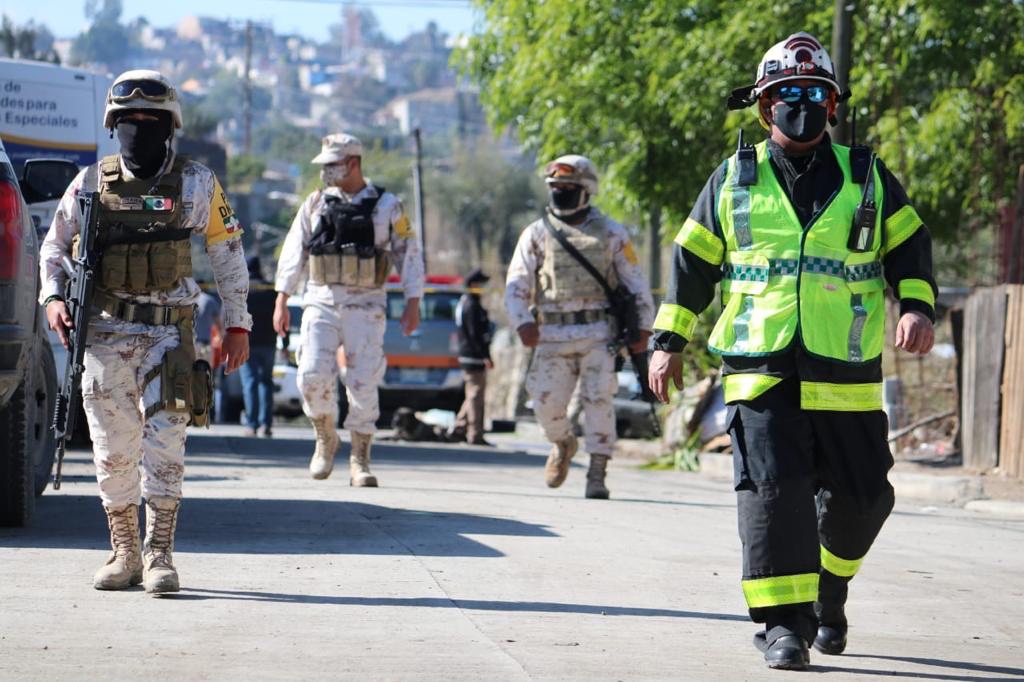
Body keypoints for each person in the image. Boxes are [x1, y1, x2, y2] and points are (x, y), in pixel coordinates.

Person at [648, 32, 937, 670]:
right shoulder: (731, 180)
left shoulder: (869, 176)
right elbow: (691, 266)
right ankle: (784, 627)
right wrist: (667, 342)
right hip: (760, 367)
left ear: (832, 106)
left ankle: (830, 594)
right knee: (773, 495)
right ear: (762, 108)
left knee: (866, 500)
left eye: (813, 93)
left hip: (847, 370)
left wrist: (917, 305)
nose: (799, 103)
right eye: (785, 94)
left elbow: (910, 249)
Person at [40, 70, 251, 594]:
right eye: (128, 120)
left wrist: (238, 321)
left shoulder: (198, 183)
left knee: (165, 447)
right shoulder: (91, 183)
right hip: (106, 333)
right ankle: (124, 553)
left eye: (150, 119)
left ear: (169, 125)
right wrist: (52, 298)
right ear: (113, 125)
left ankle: (161, 556)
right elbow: (53, 248)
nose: (139, 127)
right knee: (113, 451)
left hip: (170, 335)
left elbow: (227, 254)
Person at [273, 133, 424, 486]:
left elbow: (409, 253)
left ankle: (360, 457)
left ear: (353, 163)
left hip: (367, 304)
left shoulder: (389, 206)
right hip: (321, 301)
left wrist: (413, 301)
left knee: (363, 381)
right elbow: (295, 251)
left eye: (332, 164)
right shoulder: (314, 203)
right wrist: (282, 297)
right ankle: (325, 436)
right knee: (310, 375)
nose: (325, 171)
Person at [505, 155, 654, 499]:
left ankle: (597, 472)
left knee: (598, 400)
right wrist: (523, 322)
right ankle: (563, 443)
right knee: (544, 404)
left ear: (586, 190)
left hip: (599, 333)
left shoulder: (613, 233)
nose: (560, 193)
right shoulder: (537, 234)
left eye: (568, 188)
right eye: (555, 187)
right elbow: (516, 284)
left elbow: (635, 284)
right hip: (551, 335)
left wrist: (643, 332)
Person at [449, 268, 494, 445]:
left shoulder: (465, 302)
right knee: (476, 395)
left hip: (467, 355)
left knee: (472, 393)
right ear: (474, 285)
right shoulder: (472, 305)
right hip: (473, 356)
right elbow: (476, 334)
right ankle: (475, 434)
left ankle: (459, 427)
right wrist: (485, 356)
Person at [239, 255, 277, 438]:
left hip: (247, 342)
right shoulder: (271, 290)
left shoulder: (243, 290)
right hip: (269, 342)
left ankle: (252, 424)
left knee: (250, 382)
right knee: (266, 383)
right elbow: (280, 318)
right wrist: (283, 343)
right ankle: (266, 424)